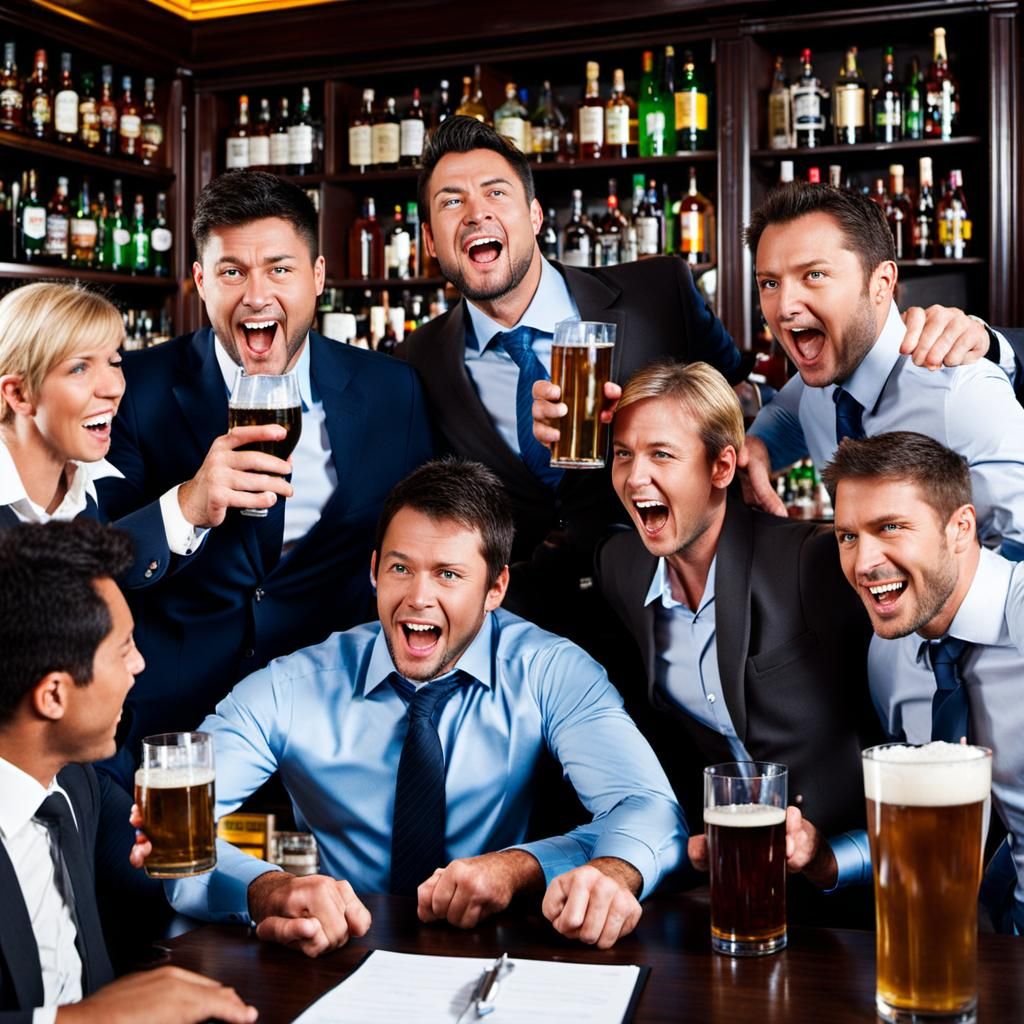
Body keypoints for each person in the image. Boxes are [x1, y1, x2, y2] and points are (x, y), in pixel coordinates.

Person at [164, 459, 686, 953]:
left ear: (495, 588)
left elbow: (650, 808)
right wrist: (266, 890)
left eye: (448, 575)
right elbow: (169, 834)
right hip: (340, 954)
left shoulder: (549, 669)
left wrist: (525, 867)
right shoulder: (290, 688)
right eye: (400, 568)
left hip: (500, 955)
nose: (417, 597)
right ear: (374, 571)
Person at [96, 169, 433, 787]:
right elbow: (89, 563)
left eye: (279, 268)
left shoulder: (393, 391)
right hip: (175, 739)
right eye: (232, 272)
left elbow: (423, 546)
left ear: (318, 278)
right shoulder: (131, 388)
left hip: (339, 739)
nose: (256, 295)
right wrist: (186, 507)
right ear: (200, 281)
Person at [396, 116, 749, 646]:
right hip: (524, 638)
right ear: (429, 240)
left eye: (496, 192)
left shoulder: (659, 293)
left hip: (682, 612)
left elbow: (743, 395)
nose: (476, 213)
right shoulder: (415, 362)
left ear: (535, 215)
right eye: (451, 202)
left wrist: (638, 421)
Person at [596, 361, 881, 924]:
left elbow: (906, 729)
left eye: (662, 455)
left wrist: (832, 859)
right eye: (624, 454)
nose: (634, 477)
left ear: (723, 465)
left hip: (859, 892)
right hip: (732, 889)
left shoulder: (810, 563)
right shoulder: (621, 567)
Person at [0, 519, 257, 1024]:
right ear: (53, 695)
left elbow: (165, 858)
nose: (140, 665)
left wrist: (268, 892)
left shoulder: (75, 784)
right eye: (124, 649)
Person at [739, 182, 1024, 557]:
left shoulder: (960, 389)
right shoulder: (820, 383)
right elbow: (787, 412)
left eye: (814, 275)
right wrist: (758, 447)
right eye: (770, 283)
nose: (784, 306)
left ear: (882, 283)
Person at [823, 431, 1024, 935]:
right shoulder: (890, 656)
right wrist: (828, 863)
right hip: (975, 945)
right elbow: (922, 823)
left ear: (960, 528)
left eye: (890, 527)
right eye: (848, 536)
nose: (863, 563)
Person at [0, 282, 175, 588]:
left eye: (114, 362)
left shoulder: (85, 488)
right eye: (79, 368)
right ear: (18, 394)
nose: (114, 388)